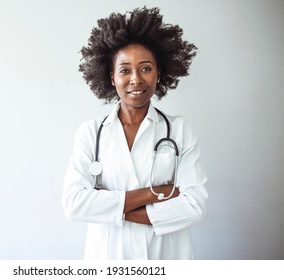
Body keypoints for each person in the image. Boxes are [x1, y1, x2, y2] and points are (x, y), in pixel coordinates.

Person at [62, 7, 208, 260]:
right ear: (111, 77)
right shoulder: (90, 133)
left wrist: (107, 207)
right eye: (125, 70)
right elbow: (74, 205)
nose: (136, 79)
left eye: (146, 68)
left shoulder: (179, 129)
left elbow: (195, 205)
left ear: (159, 73)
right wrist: (153, 194)